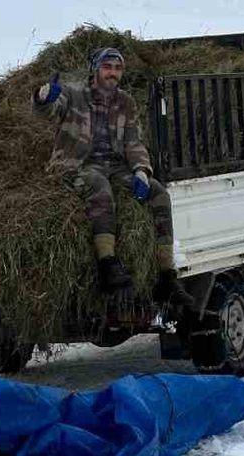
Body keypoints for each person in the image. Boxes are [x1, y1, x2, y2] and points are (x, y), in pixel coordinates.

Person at [32, 47, 193, 305]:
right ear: (95, 70)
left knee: (159, 193)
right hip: (78, 165)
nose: (113, 73)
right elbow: (49, 110)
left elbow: (134, 142)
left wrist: (141, 171)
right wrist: (43, 98)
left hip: (116, 167)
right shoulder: (74, 95)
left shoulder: (125, 102)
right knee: (99, 187)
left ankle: (167, 276)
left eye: (118, 69)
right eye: (108, 67)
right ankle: (108, 263)